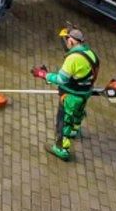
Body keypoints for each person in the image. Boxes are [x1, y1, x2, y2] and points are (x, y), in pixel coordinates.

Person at [32, 27, 100, 162]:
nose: (64, 43)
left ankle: (62, 149)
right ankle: (75, 131)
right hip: (85, 94)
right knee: (78, 114)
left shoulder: (73, 58)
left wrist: (44, 74)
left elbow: (61, 79)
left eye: (65, 40)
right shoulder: (90, 53)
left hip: (71, 96)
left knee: (63, 122)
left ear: (71, 41)